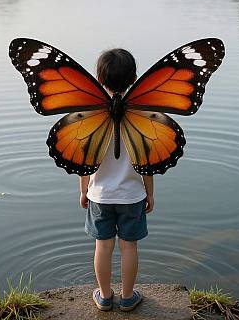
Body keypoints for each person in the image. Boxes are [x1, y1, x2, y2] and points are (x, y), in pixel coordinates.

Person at [79, 48, 154, 312]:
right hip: (132, 195)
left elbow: (83, 159)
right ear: (134, 78)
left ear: (99, 79)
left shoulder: (90, 115)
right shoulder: (142, 115)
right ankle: (128, 297)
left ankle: (105, 296)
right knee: (129, 246)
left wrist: (84, 189)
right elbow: (148, 160)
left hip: (99, 194)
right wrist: (150, 192)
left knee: (103, 245)